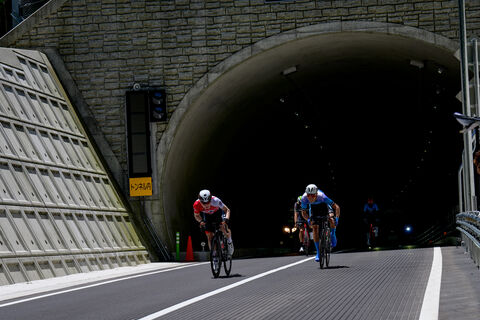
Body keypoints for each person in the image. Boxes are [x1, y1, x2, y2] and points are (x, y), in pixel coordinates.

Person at [301, 184, 340, 262]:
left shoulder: (322, 196)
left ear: (316, 194)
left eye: (312, 195)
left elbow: (337, 207)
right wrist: (308, 219)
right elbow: (304, 212)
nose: (310, 197)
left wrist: (336, 218)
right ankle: (318, 253)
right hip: (314, 209)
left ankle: (333, 234)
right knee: (314, 227)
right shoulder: (304, 198)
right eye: (309, 195)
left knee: (331, 219)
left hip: (324, 206)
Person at [193, 189, 234, 256]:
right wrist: (201, 221)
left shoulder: (216, 201)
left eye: (208, 202)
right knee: (209, 236)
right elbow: (196, 215)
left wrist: (226, 220)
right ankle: (214, 255)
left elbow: (227, 210)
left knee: (223, 228)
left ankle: (229, 241)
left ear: (210, 199)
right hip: (207, 215)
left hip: (218, 213)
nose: (206, 205)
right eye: (204, 203)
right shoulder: (196, 205)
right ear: (200, 202)